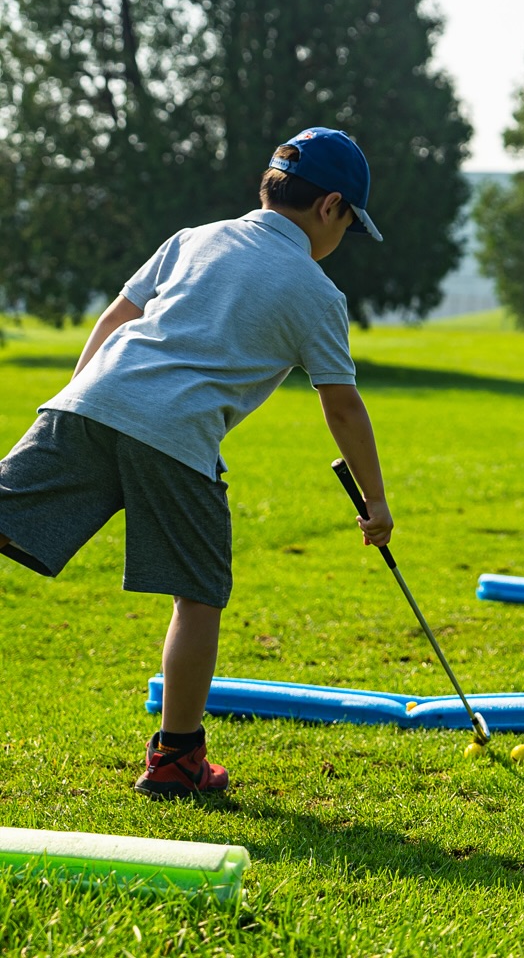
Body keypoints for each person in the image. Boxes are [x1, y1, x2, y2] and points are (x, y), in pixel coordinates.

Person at [0, 126, 393, 797]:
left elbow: (117, 318)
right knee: (199, 594)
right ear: (330, 206)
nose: (341, 242)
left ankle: (179, 757)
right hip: (176, 436)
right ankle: (177, 759)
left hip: (87, 398)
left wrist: (71, 398)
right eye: (349, 225)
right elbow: (343, 409)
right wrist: (377, 501)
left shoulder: (195, 237)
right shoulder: (317, 292)